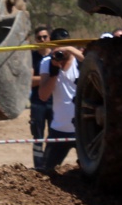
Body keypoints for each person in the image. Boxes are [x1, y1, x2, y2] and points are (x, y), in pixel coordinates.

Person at [35, 41, 85, 172]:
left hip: (83, 129)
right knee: (46, 171)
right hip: (59, 128)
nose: (60, 53)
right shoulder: (47, 63)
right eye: (56, 49)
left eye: (63, 50)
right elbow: (43, 95)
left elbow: (93, 64)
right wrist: (55, 70)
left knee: (91, 172)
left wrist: (71, 49)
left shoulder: (79, 61)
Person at [28, 25, 54, 170]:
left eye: (45, 37)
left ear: (49, 38)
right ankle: (38, 166)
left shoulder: (56, 55)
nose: (42, 40)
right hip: (37, 103)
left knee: (54, 135)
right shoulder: (32, 57)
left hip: (55, 102)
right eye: (39, 38)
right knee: (37, 136)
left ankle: (50, 164)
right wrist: (49, 79)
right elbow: (29, 81)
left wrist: (43, 79)